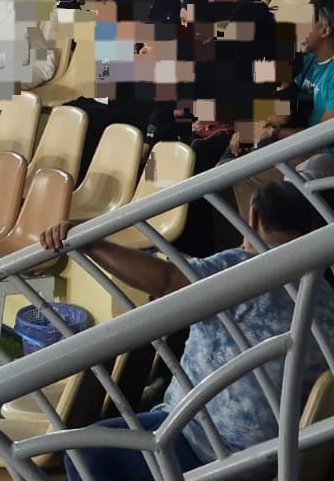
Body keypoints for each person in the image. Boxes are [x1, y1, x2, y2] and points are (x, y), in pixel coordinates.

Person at [42, 180, 334, 481]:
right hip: (277, 455)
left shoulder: (245, 268)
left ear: (253, 218)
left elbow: (166, 281)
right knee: (118, 427)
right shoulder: (323, 292)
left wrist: (89, 242)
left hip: (211, 450)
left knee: (85, 452)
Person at [221, 0, 334, 221]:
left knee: (243, 176)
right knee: (224, 166)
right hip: (296, 141)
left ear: (325, 30)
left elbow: (323, 136)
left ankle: (259, 239)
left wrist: (274, 132)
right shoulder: (308, 62)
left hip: (322, 153)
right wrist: (258, 125)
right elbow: (283, 102)